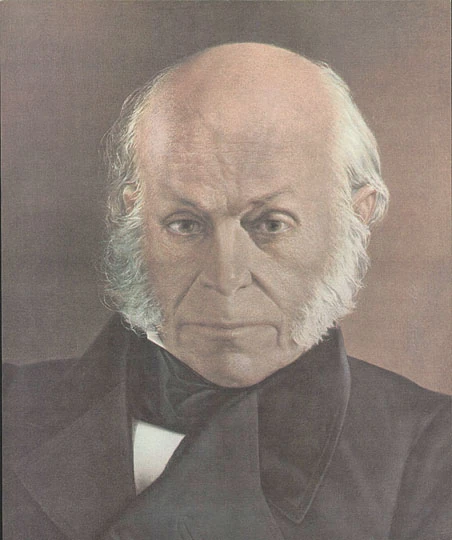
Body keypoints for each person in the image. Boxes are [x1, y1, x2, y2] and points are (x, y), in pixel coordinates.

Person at [3, 43, 451, 540]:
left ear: (357, 214)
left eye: (271, 224)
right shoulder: (12, 408)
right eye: (185, 224)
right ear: (135, 215)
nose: (225, 275)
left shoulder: (430, 452)